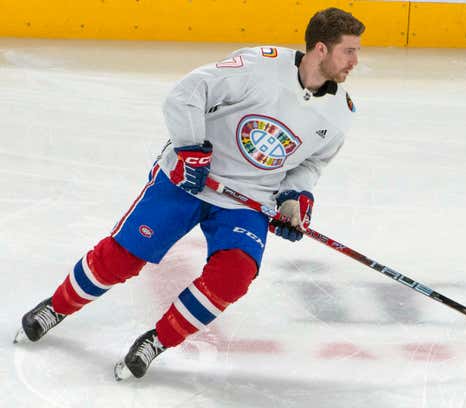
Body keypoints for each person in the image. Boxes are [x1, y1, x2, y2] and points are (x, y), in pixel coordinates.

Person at [14, 7, 365, 380]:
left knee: (235, 275)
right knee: (122, 259)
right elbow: (186, 95)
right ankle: (57, 306)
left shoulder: (339, 113)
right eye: (350, 51)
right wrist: (189, 149)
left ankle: (156, 341)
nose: (356, 61)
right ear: (321, 50)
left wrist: (294, 197)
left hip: (246, 202)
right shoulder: (257, 67)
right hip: (190, 179)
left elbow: (309, 164)